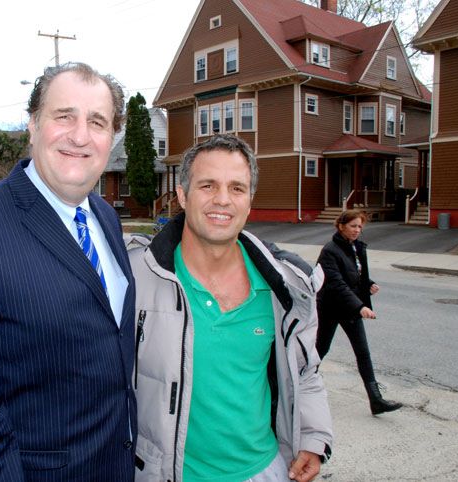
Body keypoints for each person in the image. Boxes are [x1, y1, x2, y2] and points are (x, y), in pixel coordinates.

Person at [0, 62, 136, 481]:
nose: (80, 135)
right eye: (64, 116)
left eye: (97, 121)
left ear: (112, 136)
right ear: (33, 125)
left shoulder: (106, 218)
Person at [129, 134, 332, 482]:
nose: (222, 200)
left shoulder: (285, 287)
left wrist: (313, 438)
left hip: (265, 471)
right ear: (182, 195)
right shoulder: (137, 275)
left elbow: (305, 371)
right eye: (208, 185)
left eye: (237, 188)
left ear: (250, 200)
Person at [316, 210, 403, 416]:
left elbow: (354, 274)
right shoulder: (330, 250)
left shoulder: (355, 247)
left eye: (360, 227)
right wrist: (360, 306)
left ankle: (376, 400)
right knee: (320, 349)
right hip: (330, 308)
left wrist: (369, 284)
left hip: (349, 308)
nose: (357, 230)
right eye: (353, 226)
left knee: (363, 353)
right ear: (341, 226)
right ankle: (296, 385)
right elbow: (336, 283)